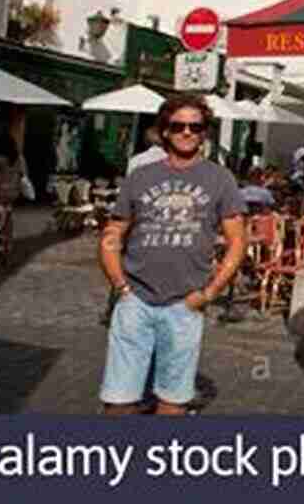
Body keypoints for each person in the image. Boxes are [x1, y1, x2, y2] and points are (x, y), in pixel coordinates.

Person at [98, 95, 247, 415]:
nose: (187, 132)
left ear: (205, 132)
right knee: (118, 402)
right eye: (178, 125)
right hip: (135, 299)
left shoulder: (220, 179)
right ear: (164, 131)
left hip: (185, 304)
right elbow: (112, 234)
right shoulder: (140, 176)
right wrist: (120, 285)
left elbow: (237, 242)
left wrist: (209, 293)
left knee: (173, 402)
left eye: (196, 126)